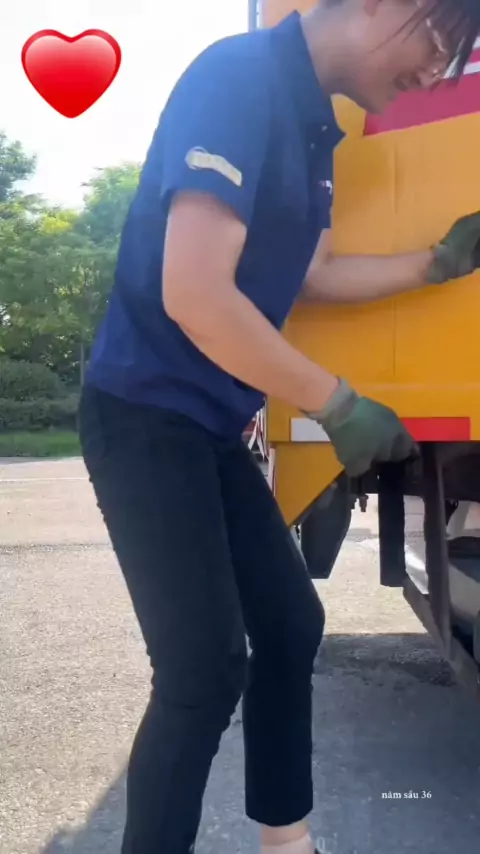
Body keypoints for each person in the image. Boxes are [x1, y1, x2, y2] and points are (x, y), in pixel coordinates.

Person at [79, 1, 480, 852]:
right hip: (144, 413)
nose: (437, 73)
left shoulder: (314, 128)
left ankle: (286, 842)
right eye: (439, 39)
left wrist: (436, 264)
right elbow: (195, 294)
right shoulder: (238, 78)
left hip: (210, 423)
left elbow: (313, 274)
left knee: (292, 627)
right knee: (202, 670)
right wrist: (338, 403)